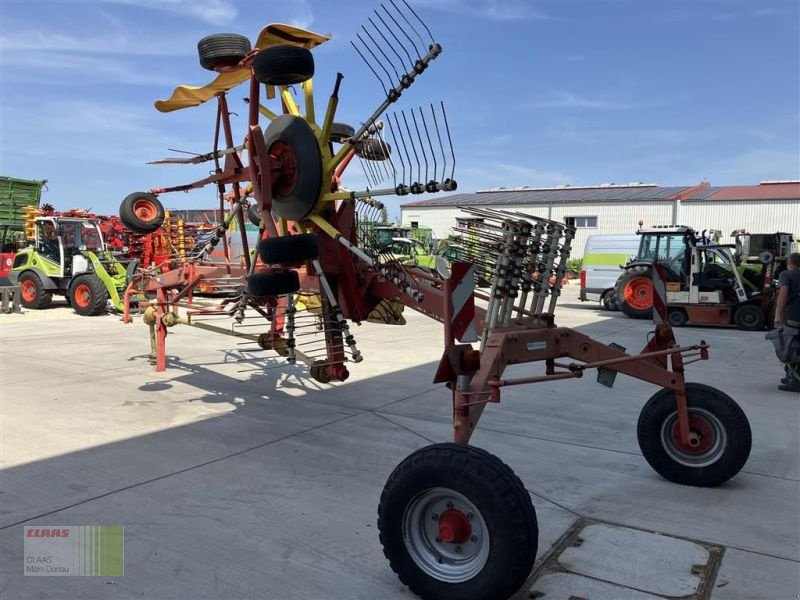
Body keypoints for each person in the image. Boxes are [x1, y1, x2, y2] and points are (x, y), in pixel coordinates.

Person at [773, 252, 800, 392]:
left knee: (789, 346)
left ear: (789, 263)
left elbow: (783, 295)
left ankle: (795, 380)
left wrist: (777, 314)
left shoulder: (786, 275)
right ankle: (790, 375)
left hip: (793, 317)